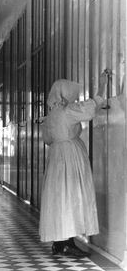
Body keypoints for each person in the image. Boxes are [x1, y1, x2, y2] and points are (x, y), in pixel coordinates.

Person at [39, 71, 108, 257]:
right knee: (72, 197)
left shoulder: (51, 115)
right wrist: (102, 84)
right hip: (70, 156)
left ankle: (59, 243)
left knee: (60, 198)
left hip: (56, 158)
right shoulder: (67, 111)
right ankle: (67, 243)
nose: (73, 98)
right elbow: (92, 107)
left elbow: (47, 139)